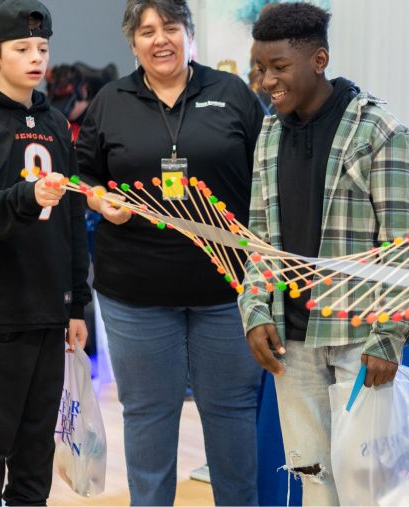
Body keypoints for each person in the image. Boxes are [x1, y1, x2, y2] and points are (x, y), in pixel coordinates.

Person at [75, 0, 264, 504]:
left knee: (231, 413)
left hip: (226, 290)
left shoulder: (232, 95)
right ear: (132, 42)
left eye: (171, 28)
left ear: (189, 33)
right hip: (135, 292)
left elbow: (267, 176)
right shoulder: (110, 101)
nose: (160, 40)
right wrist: (97, 197)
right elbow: (83, 175)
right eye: (147, 31)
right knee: (148, 416)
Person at [239, 3, 409, 504]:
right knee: (313, 478)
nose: (265, 79)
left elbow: (401, 248)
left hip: (357, 336)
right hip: (289, 342)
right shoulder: (270, 131)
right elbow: (258, 236)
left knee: (365, 484)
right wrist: (254, 310)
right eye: (259, 67)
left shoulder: (380, 132)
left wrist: (389, 336)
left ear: (318, 60)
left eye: (278, 67)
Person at [0, 0, 90, 503]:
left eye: (43, 48)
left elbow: (73, 219)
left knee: (36, 451)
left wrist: (78, 303)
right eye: (22, 48)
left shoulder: (54, 122)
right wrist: (28, 196)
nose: (36, 58)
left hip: (49, 312)